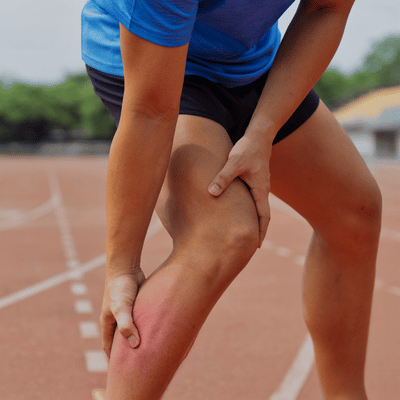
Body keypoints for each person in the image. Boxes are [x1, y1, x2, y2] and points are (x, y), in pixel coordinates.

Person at [81, 0, 382, 398]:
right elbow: (151, 111)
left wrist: (262, 132)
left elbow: (325, 9)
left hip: (251, 64)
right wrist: (121, 266)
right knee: (220, 234)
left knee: (355, 211)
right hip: (155, 65)